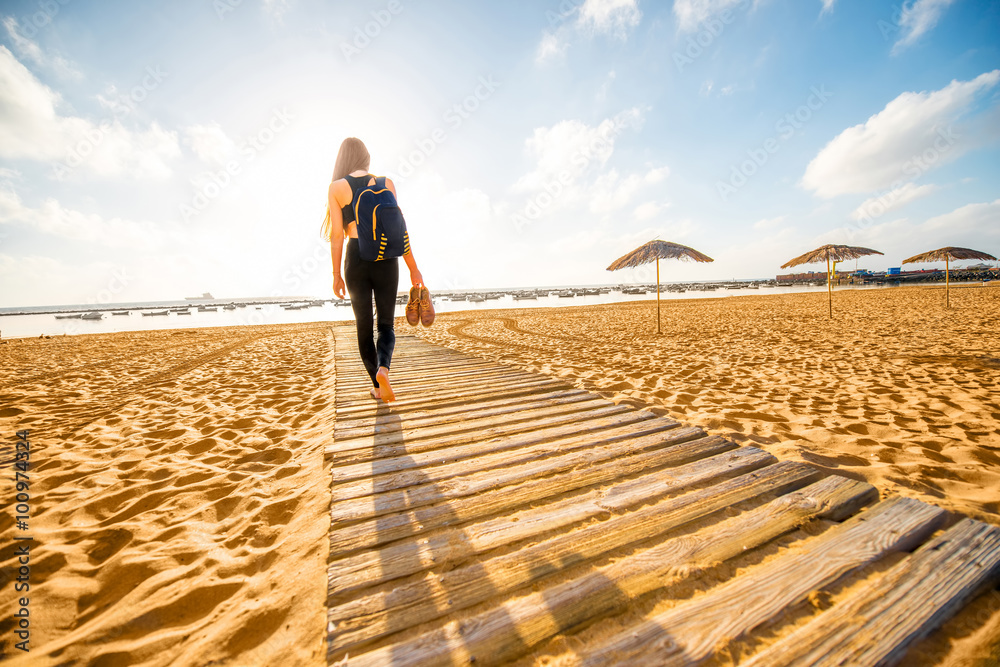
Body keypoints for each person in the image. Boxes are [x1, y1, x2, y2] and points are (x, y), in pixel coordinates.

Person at [322, 137, 424, 402]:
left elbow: (336, 237)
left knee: (364, 327)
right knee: (387, 325)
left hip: (356, 257)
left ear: (343, 159)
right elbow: (398, 230)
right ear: (366, 158)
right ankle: (384, 370)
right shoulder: (386, 183)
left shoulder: (336, 187)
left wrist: (335, 274)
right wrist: (414, 268)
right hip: (387, 257)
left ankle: (377, 387)